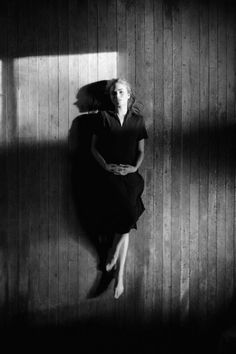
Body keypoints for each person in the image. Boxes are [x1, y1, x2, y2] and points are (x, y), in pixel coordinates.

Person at [91, 78, 148, 299]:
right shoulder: (103, 117)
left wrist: (133, 167)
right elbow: (93, 148)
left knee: (126, 218)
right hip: (110, 178)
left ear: (128, 94)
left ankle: (114, 257)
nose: (117, 96)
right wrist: (106, 166)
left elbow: (141, 151)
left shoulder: (138, 120)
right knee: (127, 217)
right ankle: (119, 277)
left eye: (121, 92)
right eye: (114, 93)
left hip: (131, 177)